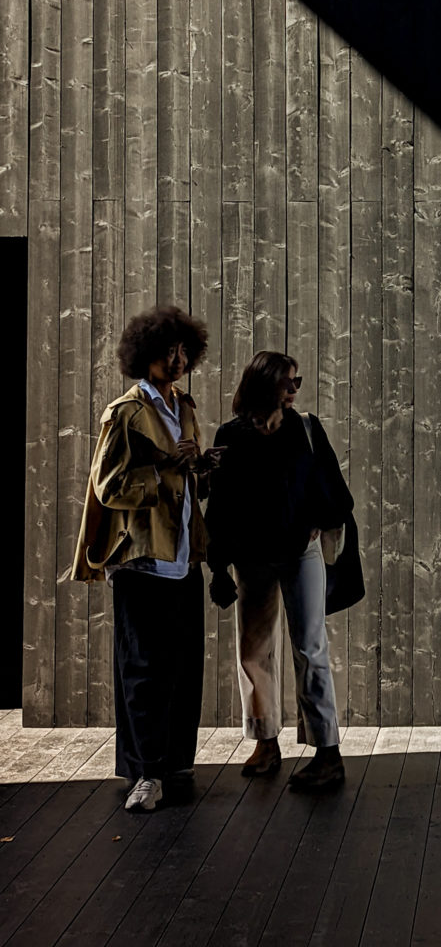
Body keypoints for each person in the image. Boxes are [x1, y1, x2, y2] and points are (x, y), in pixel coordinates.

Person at [72, 305, 221, 813]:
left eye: (184, 351)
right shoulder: (126, 412)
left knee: (181, 668)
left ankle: (175, 764)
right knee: (143, 672)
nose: (178, 359)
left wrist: (202, 469)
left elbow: (189, 481)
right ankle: (146, 774)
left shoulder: (185, 406)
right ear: (145, 355)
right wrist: (160, 476)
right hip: (142, 561)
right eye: (168, 351)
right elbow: (107, 484)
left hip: (183, 557)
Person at [205, 350, 363, 791]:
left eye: (298, 381)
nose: (295, 389)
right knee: (253, 651)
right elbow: (221, 503)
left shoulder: (306, 428)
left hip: (300, 552)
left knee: (309, 648)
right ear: (265, 384)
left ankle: (327, 752)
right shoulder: (231, 435)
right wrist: (218, 564)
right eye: (288, 381)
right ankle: (265, 741)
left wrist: (320, 519)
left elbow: (331, 486)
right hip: (252, 556)